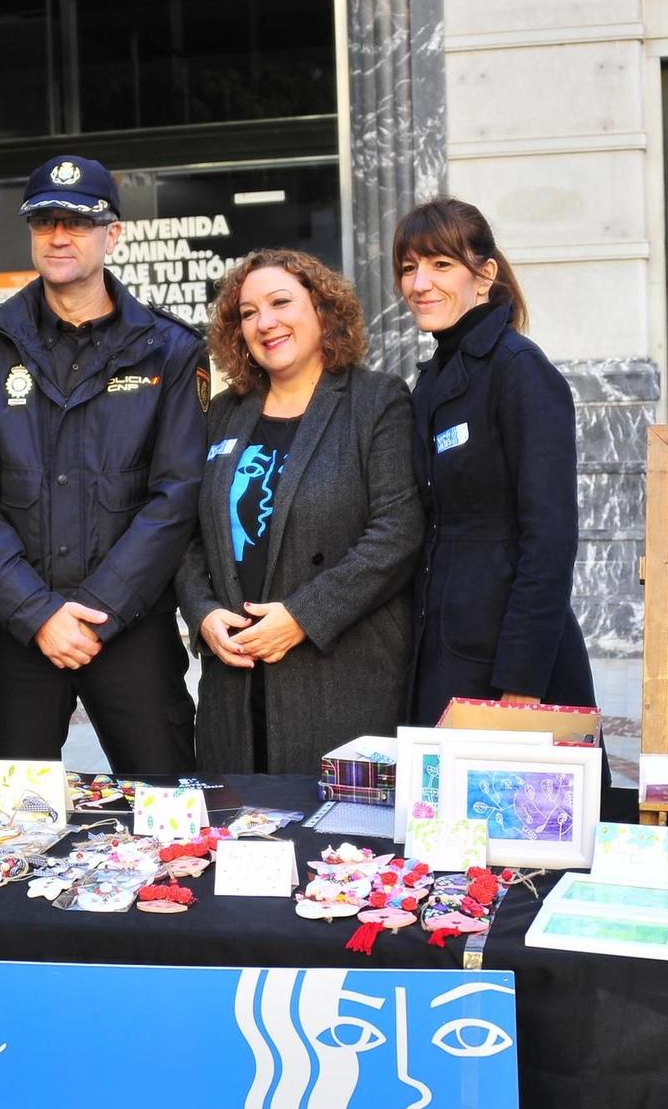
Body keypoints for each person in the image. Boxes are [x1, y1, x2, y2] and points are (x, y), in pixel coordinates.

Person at [0, 154, 208, 775]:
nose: (59, 237)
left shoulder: (170, 347)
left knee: (165, 810)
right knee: (7, 825)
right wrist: (39, 614)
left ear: (112, 234)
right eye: (44, 223)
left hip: (133, 625)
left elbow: (176, 495)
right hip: (22, 626)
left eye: (78, 223)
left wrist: (97, 611)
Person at [175, 250, 420, 775]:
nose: (265, 323)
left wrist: (302, 618)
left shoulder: (376, 401)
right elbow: (189, 533)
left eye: (280, 302)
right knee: (238, 831)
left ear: (322, 309)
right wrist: (202, 614)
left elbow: (396, 532)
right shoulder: (222, 413)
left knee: (343, 849)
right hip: (235, 683)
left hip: (340, 677)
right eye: (247, 313)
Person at [395, 197, 596, 726]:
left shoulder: (520, 370)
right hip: (442, 649)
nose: (420, 284)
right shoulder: (433, 378)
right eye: (409, 268)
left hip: (512, 667)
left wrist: (521, 684)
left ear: (483, 276)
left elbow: (550, 540)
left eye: (441, 265)